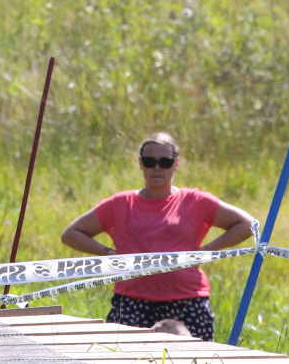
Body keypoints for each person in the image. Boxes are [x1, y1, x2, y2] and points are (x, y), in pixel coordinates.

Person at [61, 132, 254, 341]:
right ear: (140, 164)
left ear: (176, 163)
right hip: (131, 300)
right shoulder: (120, 204)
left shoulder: (195, 201)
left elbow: (247, 225)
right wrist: (108, 253)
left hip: (188, 300)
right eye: (150, 161)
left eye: (165, 161)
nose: (157, 168)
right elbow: (71, 234)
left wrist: (206, 252)